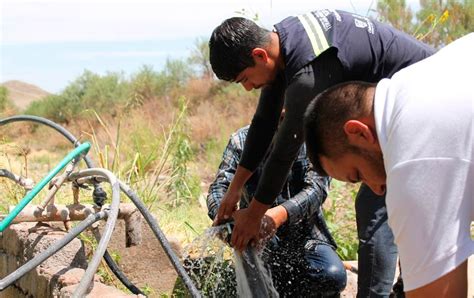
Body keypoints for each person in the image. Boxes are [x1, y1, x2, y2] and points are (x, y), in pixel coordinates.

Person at [209, 8, 434, 296]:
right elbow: (263, 123)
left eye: (244, 79)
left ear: (259, 55)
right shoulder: (287, 42)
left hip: (424, 105)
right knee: (385, 202)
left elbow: (284, 150)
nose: (248, 88)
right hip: (399, 114)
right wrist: (234, 190)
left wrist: (253, 215)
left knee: (377, 204)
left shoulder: (307, 71)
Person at [303, 33, 474, 297]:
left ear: (359, 132)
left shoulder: (412, 155)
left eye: (358, 174)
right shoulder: (415, 82)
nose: (377, 189)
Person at [207, 123, 347, 296]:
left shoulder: (313, 140)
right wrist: (231, 218)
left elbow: (316, 190)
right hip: (257, 238)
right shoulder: (241, 140)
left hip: (307, 237)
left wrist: (275, 216)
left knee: (332, 276)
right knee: (267, 277)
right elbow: (218, 188)